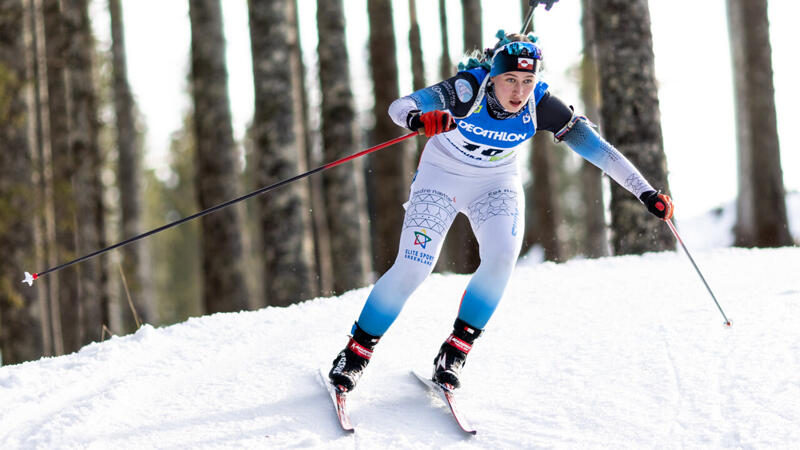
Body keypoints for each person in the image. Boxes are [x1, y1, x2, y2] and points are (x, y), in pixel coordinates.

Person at [328, 31, 674, 393]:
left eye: (527, 81)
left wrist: (646, 193)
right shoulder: (466, 90)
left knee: (502, 258)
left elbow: (600, 151)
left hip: (494, 183)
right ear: (493, 76)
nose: (518, 91)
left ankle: (454, 353)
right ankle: (354, 355)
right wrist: (419, 119)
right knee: (414, 266)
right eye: (510, 79)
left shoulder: (542, 106)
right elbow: (399, 107)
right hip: (440, 177)